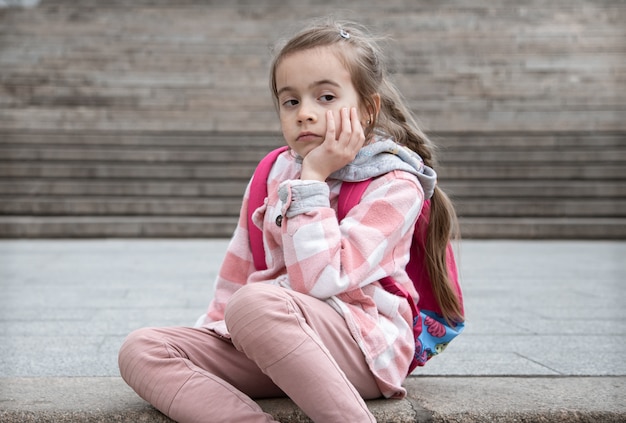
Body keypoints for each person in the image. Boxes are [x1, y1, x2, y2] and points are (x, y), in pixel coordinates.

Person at [118, 18, 464, 423]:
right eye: (291, 101)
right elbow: (240, 269)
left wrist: (313, 180)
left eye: (326, 97)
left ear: (368, 109)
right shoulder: (273, 170)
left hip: (362, 347)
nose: (306, 114)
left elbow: (319, 281)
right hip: (270, 335)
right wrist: (217, 335)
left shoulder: (394, 183)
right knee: (141, 348)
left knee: (253, 305)